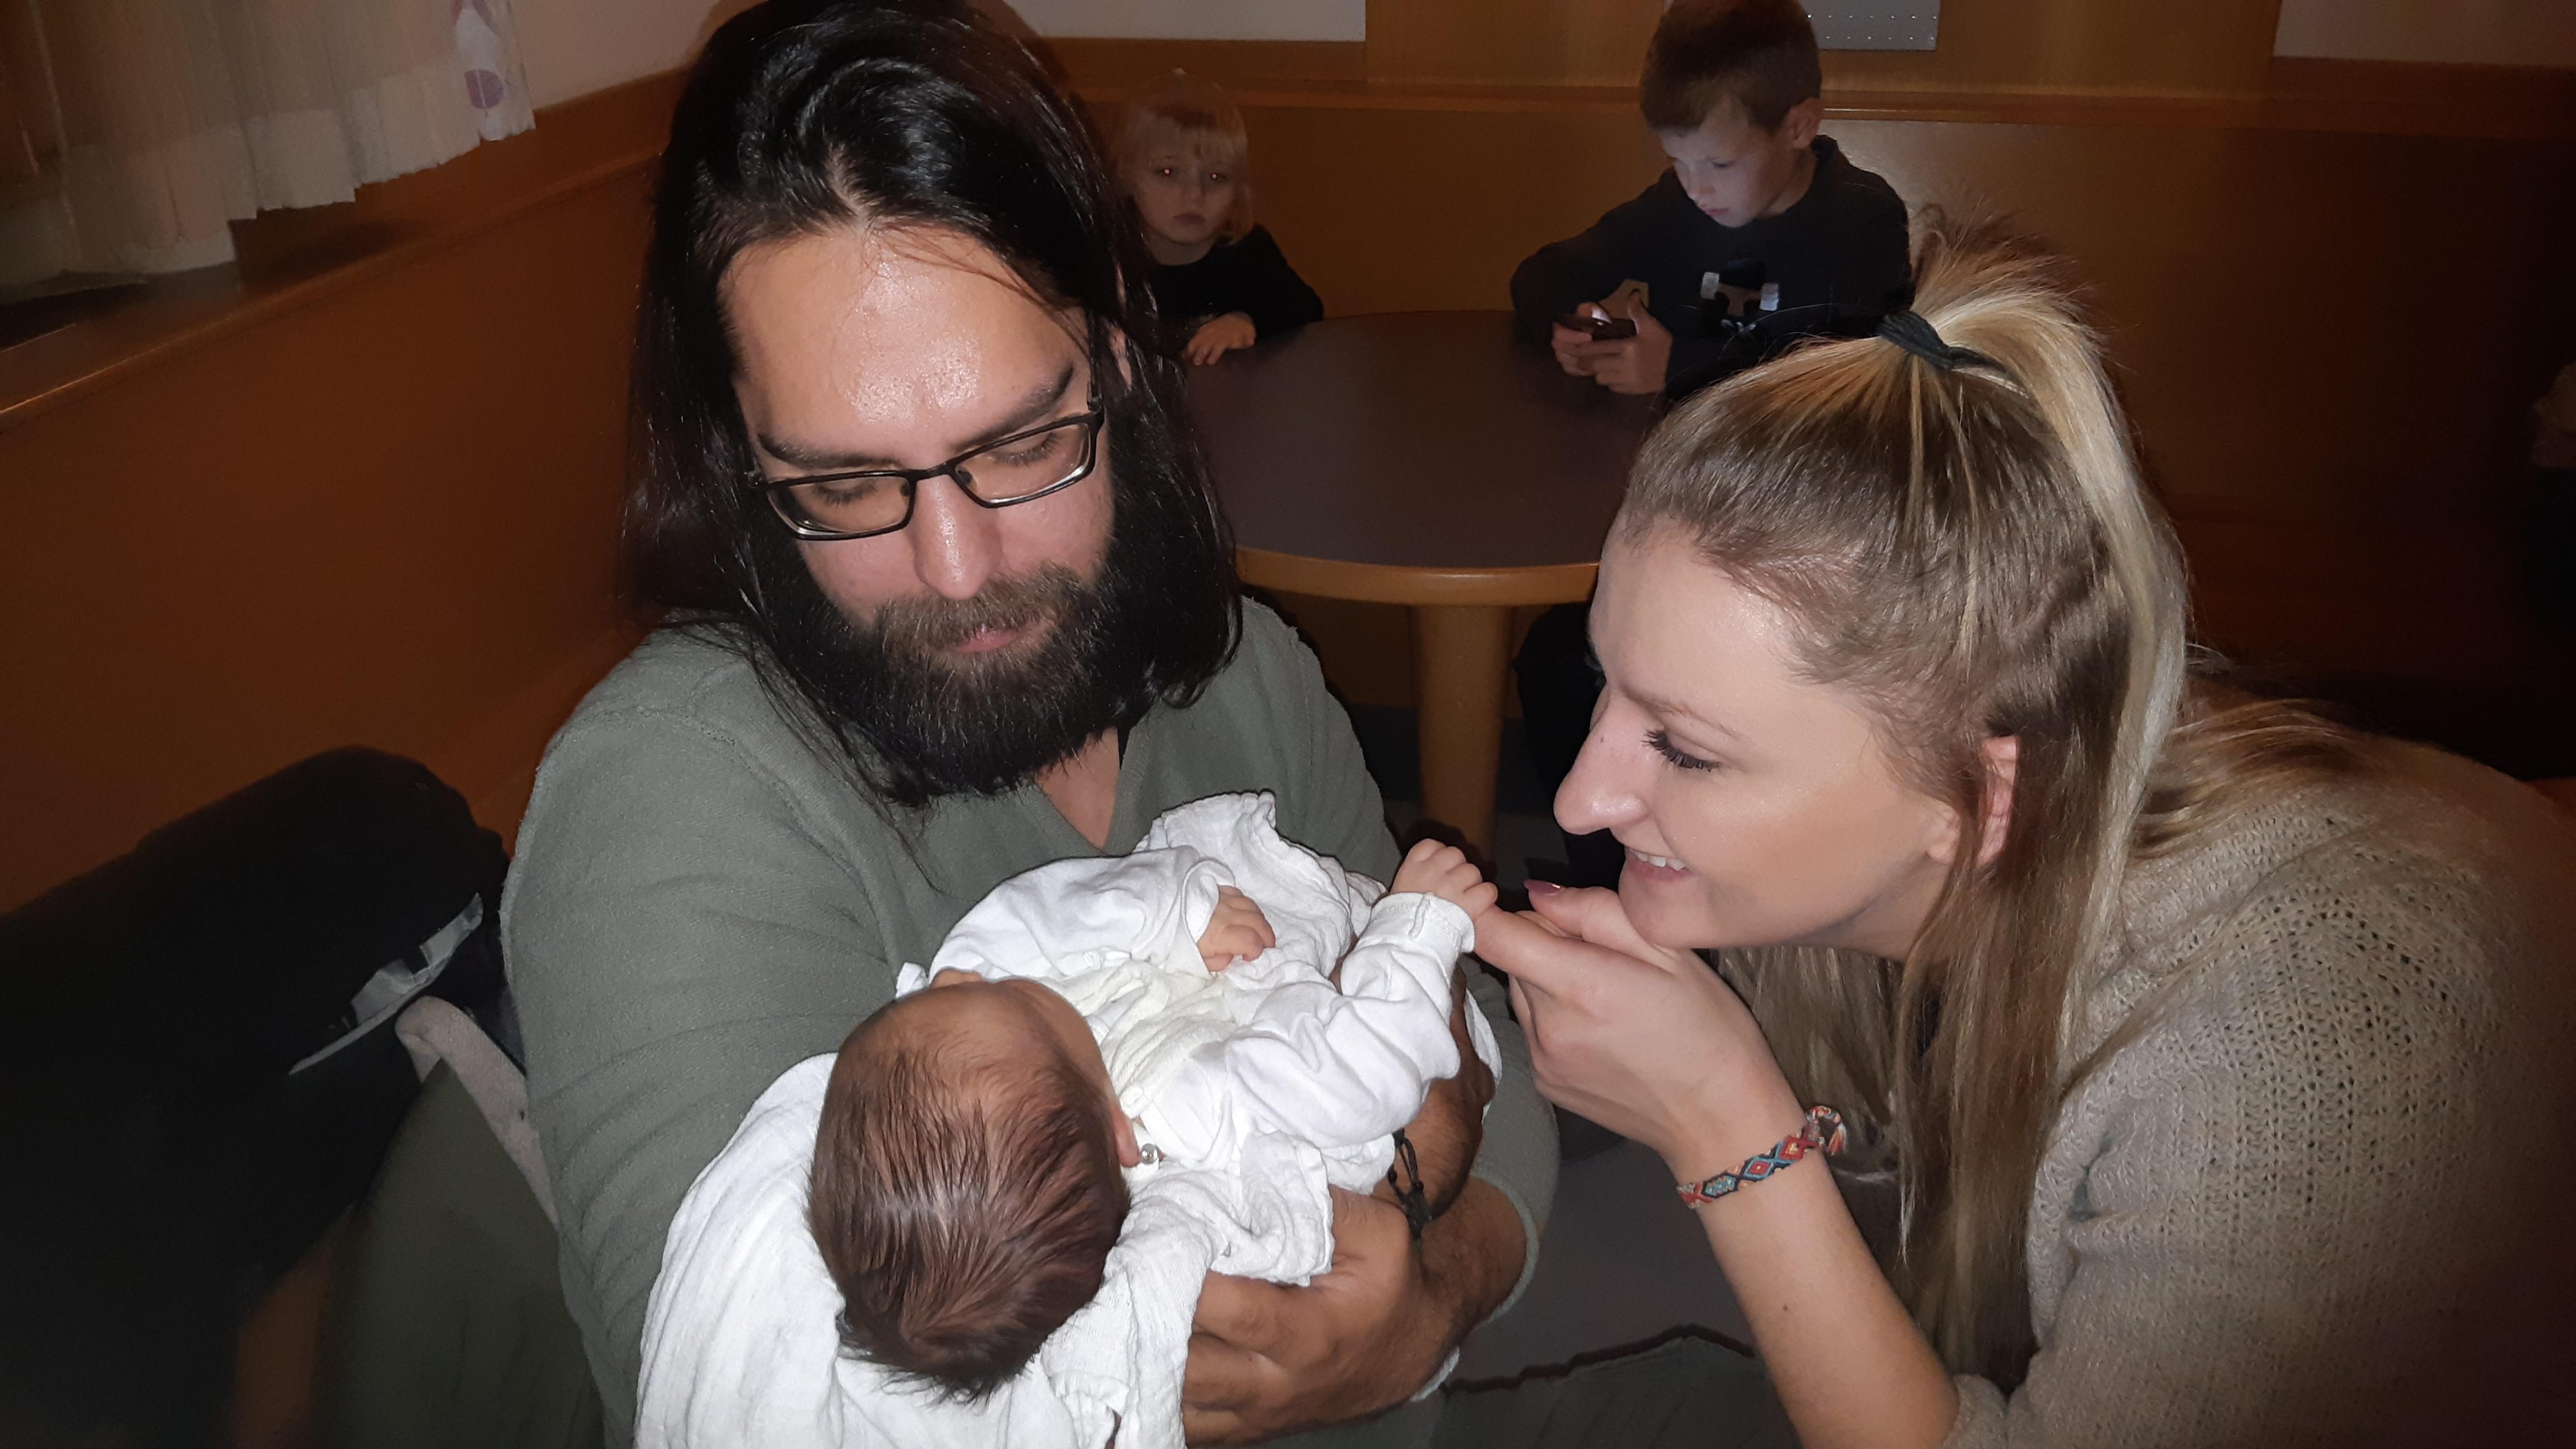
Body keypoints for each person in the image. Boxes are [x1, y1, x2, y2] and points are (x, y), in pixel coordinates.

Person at [500, 3, 1554, 1446]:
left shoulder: (1238, 672)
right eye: (844, 484)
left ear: (1119, 359)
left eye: (1022, 443)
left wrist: (1429, 1304)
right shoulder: (673, 803)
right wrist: (1423, 1145)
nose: (958, 569)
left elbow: (1497, 1072)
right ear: (738, 456)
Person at [1462, 218, 2576, 1447]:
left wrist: (1725, 1124)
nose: (1579, 801)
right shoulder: (1938, 841)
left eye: (1686, 747)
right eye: (1608, 685)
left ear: (1987, 801)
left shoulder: (2298, 1063)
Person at [636, 800, 1503, 1449]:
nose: (959, 978)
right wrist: (1416, 926)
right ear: (1123, 1133)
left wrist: (1179, 909)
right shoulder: (1202, 1109)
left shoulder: (995, 1044)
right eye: (1013, 1002)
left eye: (928, 1005)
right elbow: (1370, 1066)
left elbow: (1032, 923)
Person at [1509, 0, 1911, 402]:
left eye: (1720, 164)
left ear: (1798, 127)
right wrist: (1572, 326)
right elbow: (1544, 276)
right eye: (1678, 161)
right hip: (1672, 437)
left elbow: (1864, 371)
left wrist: (1681, 367)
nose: (1696, 188)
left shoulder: (1863, 219)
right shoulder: (1674, 206)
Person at [1116, 70, 1325, 364]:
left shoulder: (1247, 250)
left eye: (1216, 177)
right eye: (1168, 172)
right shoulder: (1106, 248)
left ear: (1238, 190)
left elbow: (1307, 308)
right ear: (1128, 177)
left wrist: (1245, 320)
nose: (1195, 195)